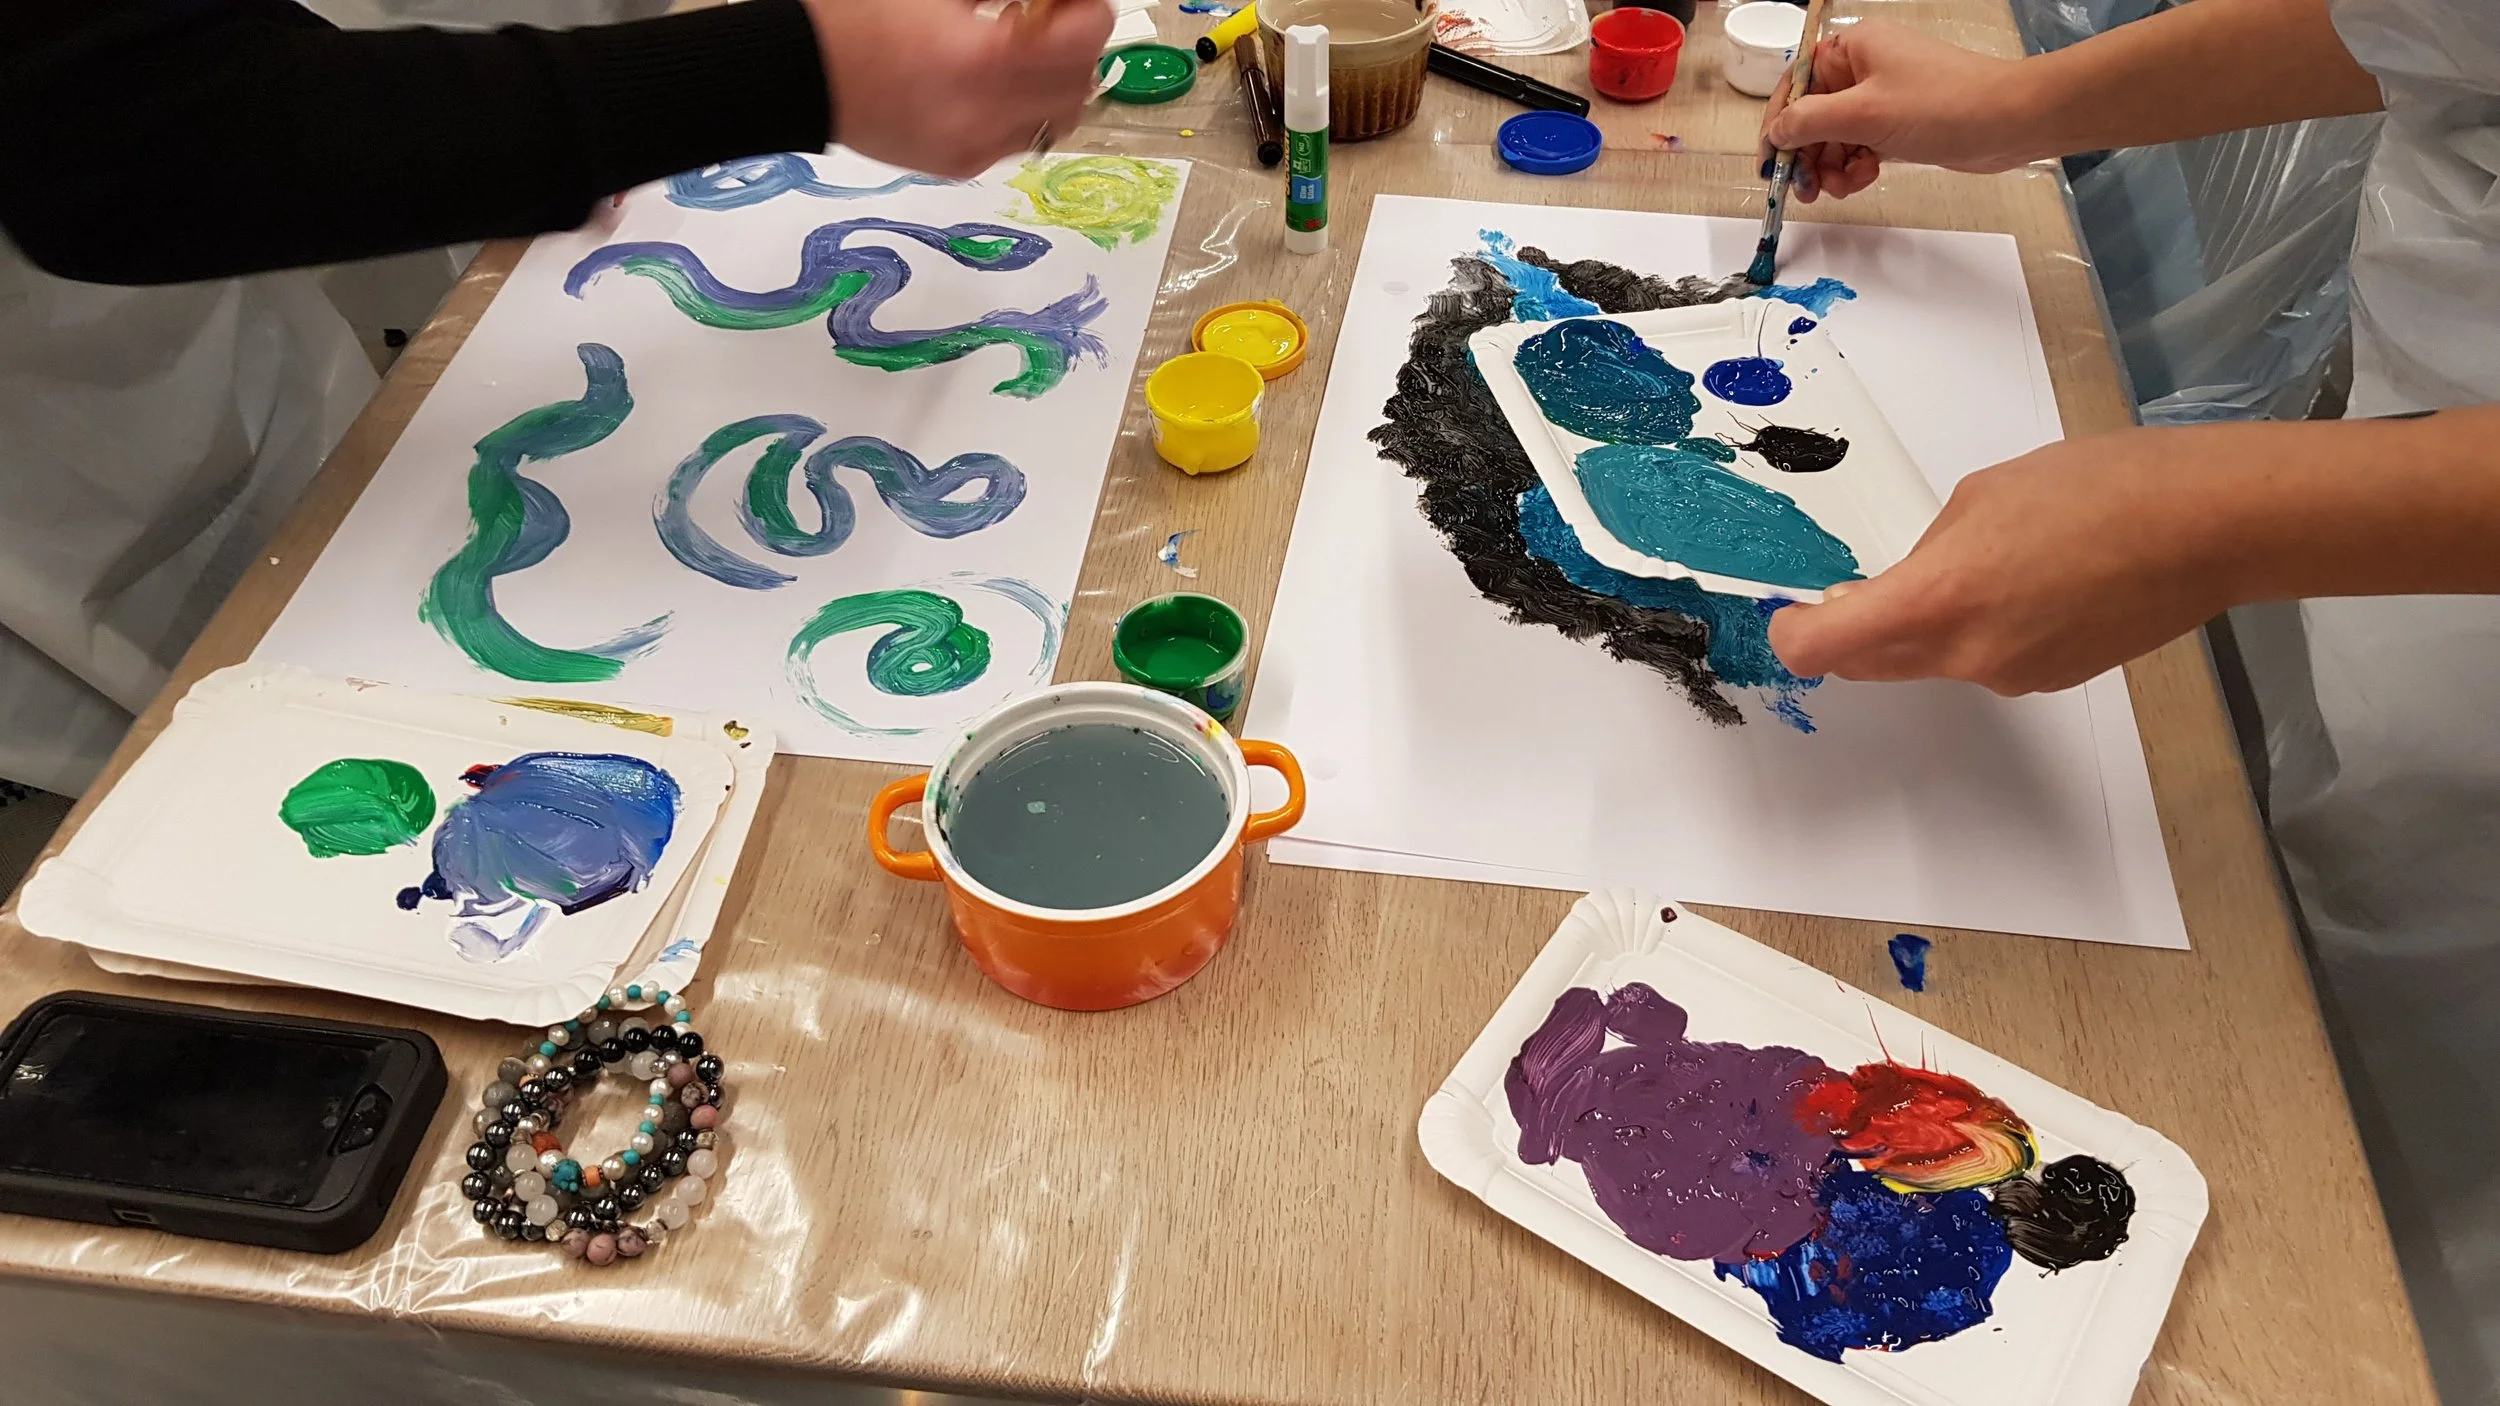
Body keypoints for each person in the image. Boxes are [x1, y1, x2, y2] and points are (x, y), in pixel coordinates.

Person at [1757, 0, 2500, 1393]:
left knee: (2376, 1244)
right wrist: (2018, 109)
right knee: (2309, 1001)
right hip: (2427, 494)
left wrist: (2227, 518)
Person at [0, 0, 1110, 803]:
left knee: (343, 535)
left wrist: (499, 119)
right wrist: (781, 72)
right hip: (49, 452)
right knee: (226, 761)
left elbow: (176, 44)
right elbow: (111, 144)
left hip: (237, 370)